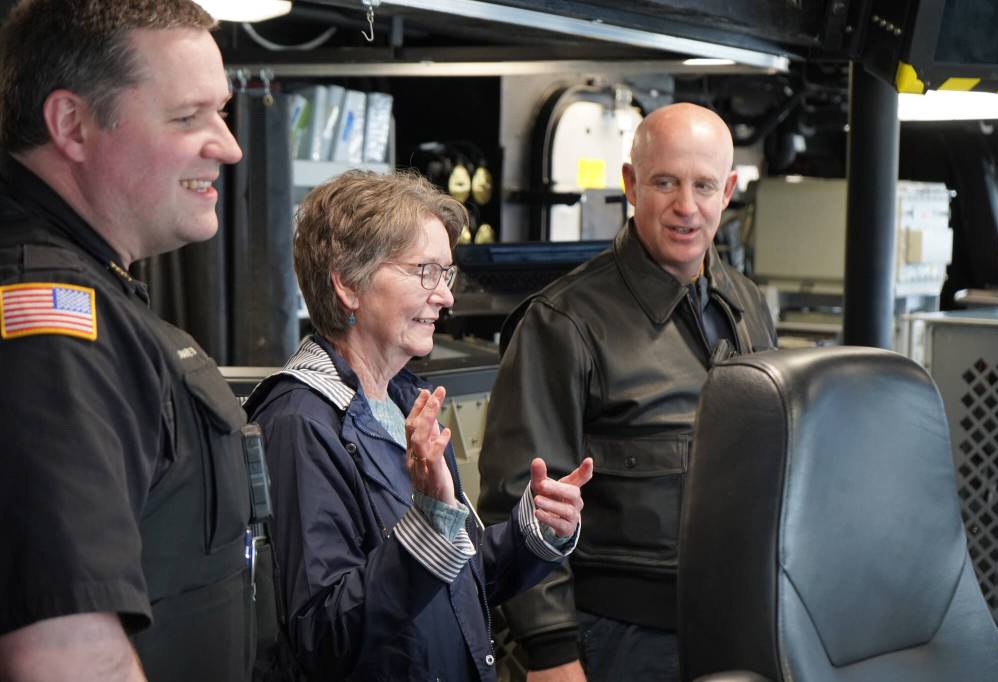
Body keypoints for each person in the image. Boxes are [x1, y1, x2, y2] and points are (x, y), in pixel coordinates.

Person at [244, 169, 594, 682]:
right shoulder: (300, 422)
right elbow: (324, 636)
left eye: (446, 274)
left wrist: (533, 531)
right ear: (347, 283)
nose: (446, 296)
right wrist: (429, 522)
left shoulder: (407, 399)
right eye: (425, 271)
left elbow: (455, 578)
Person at [477, 102, 778, 681]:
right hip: (616, 641)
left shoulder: (748, 306)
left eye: (703, 185)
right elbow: (520, 498)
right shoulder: (563, 323)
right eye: (665, 182)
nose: (686, 206)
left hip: (740, 625)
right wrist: (550, 650)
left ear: (729, 190)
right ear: (630, 185)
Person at [0, 2, 253, 681]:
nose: (228, 146)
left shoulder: (97, 292)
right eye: (187, 116)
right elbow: (65, 655)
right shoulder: (52, 330)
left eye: (221, 112)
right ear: (72, 125)